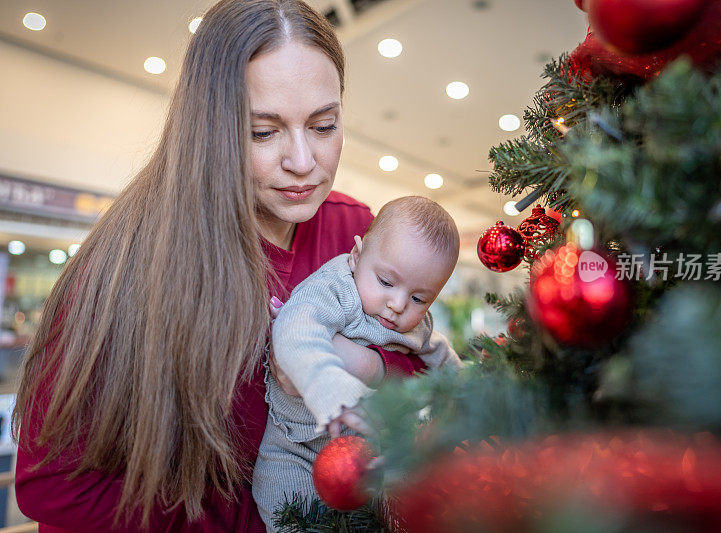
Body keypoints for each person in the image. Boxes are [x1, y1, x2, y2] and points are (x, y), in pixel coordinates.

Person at [12, 0, 429, 531]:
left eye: (324, 126)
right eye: (263, 132)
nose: (303, 162)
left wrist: (358, 363)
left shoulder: (353, 233)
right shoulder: (130, 260)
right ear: (210, 127)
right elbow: (53, 484)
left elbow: (418, 367)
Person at [253, 196, 464, 529]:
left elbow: (442, 359)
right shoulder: (335, 288)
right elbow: (296, 331)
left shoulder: (417, 326)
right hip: (295, 449)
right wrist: (329, 385)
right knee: (284, 507)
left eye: (419, 298)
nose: (396, 304)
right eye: (386, 282)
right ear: (356, 256)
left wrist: (469, 396)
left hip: (370, 459)